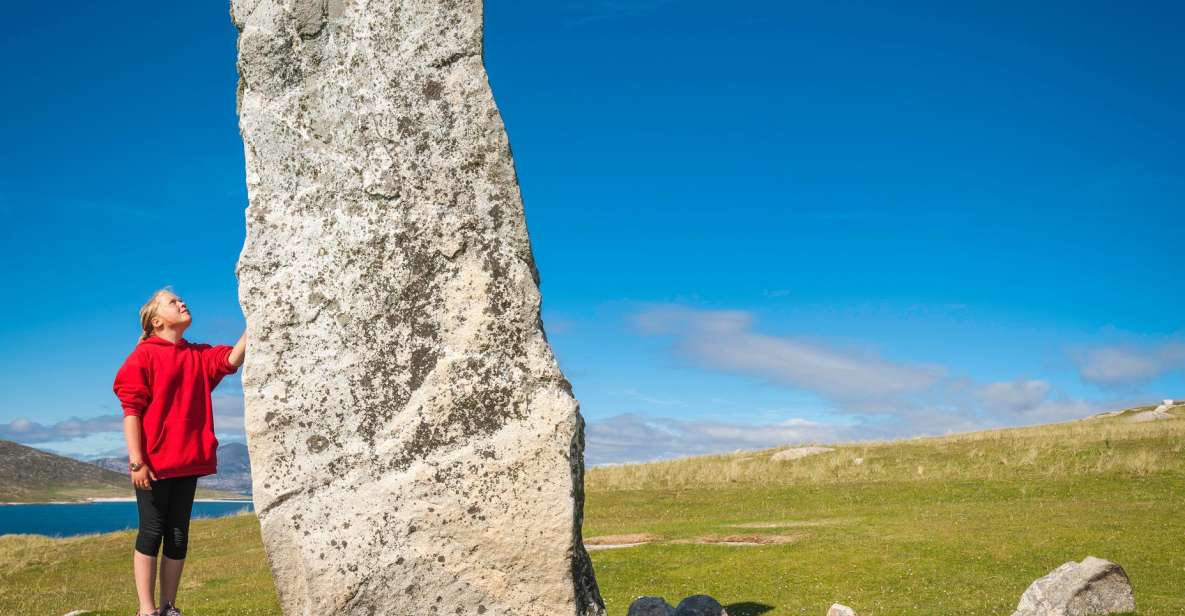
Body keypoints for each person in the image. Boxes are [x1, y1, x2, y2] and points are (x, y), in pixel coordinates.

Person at [113, 287, 246, 616]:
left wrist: (255, 323)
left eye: (181, 299)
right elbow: (132, 413)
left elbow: (230, 360)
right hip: (153, 465)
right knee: (152, 531)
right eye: (173, 302)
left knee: (177, 534)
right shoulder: (143, 357)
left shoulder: (197, 355)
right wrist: (136, 463)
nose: (182, 303)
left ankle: (168, 607)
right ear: (157, 321)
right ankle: (146, 609)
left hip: (188, 462)